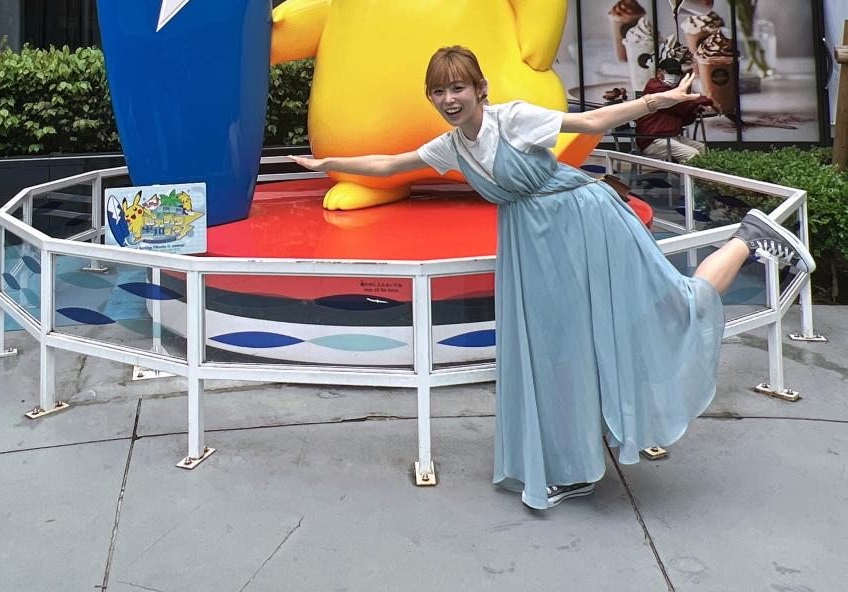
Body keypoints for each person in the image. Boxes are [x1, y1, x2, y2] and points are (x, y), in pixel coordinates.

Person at [292, 45, 815, 511]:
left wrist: (658, 101)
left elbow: (591, 122)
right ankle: (572, 463)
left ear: (480, 88)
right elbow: (389, 165)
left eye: (458, 88)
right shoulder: (452, 146)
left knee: (667, 302)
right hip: (534, 243)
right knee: (556, 351)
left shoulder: (513, 119)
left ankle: (748, 237)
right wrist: (326, 163)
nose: (449, 99)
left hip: (584, 219)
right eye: (439, 91)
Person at [635, 57, 715, 162]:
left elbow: (683, 116)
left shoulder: (672, 90)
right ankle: (686, 173)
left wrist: (694, 109)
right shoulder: (656, 88)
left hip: (670, 137)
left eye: (677, 74)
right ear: (659, 72)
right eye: (671, 73)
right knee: (692, 154)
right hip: (653, 140)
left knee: (702, 149)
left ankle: (699, 173)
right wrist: (706, 101)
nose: (674, 76)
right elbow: (681, 103)